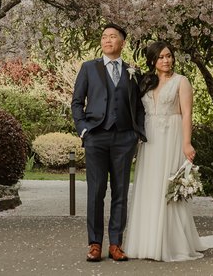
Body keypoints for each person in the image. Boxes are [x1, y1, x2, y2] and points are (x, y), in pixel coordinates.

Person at [122, 40, 213, 261]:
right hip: (150, 142)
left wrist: (187, 143)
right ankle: (146, 242)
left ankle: (171, 243)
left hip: (172, 137)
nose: (166, 60)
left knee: (168, 188)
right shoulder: (146, 82)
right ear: (153, 60)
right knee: (149, 187)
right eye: (161, 57)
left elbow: (187, 114)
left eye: (169, 56)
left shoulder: (181, 82)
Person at [71, 23, 146, 262]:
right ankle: (95, 244)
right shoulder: (88, 68)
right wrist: (83, 129)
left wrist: (137, 133)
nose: (107, 40)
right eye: (104, 36)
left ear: (122, 43)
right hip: (96, 136)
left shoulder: (133, 71)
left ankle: (116, 243)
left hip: (124, 138)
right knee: (96, 191)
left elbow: (139, 107)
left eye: (113, 37)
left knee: (120, 192)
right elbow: (76, 102)